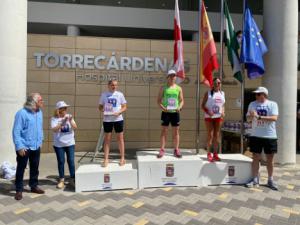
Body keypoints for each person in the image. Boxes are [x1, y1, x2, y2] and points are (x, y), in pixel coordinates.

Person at [12, 93, 45, 201]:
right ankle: (19, 190)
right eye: (40, 100)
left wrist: (41, 139)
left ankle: (33, 185)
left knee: (35, 167)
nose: (42, 102)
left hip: (36, 146)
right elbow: (16, 131)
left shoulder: (39, 112)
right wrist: (19, 146)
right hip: (24, 147)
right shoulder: (22, 113)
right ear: (34, 102)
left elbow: (40, 128)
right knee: (21, 169)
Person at [245, 87, 279, 191]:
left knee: (270, 159)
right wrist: (251, 116)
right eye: (256, 94)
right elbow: (248, 119)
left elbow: (274, 118)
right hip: (255, 134)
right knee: (255, 157)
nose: (256, 96)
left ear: (264, 94)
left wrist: (258, 117)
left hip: (270, 135)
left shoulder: (273, 104)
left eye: (258, 94)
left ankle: (270, 180)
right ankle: (255, 179)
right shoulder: (252, 104)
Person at [98, 79, 127, 167]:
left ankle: (122, 158)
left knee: (120, 139)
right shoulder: (104, 95)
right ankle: (106, 159)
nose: (114, 86)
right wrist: (104, 110)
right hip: (107, 120)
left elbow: (125, 106)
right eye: (112, 85)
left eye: (115, 85)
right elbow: (100, 107)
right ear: (108, 85)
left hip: (118, 119)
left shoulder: (120, 94)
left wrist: (119, 112)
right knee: (107, 139)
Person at [157, 69, 184, 158]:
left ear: (175, 77)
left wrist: (179, 107)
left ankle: (176, 149)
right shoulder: (163, 88)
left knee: (176, 131)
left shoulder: (178, 88)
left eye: (174, 76)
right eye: (171, 76)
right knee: (164, 131)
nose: (172, 77)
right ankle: (162, 149)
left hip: (175, 113)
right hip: (166, 112)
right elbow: (158, 101)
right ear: (167, 77)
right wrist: (163, 108)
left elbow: (182, 100)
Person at [51, 101, 77, 189]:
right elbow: (54, 129)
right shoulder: (54, 119)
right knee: (61, 161)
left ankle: (73, 179)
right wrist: (62, 123)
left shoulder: (69, 116)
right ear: (59, 110)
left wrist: (70, 120)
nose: (66, 110)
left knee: (71, 161)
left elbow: (75, 127)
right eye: (64, 108)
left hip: (70, 143)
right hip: (59, 144)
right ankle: (61, 179)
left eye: (66, 108)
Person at [201, 77, 225, 162]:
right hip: (209, 117)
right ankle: (208, 154)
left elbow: (222, 105)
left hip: (218, 117)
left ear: (220, 84)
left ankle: (215, 154)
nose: (217, 84)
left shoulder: (222, 93)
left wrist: (223, 112)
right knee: (210, 135)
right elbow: (203, 105)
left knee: (217, 136)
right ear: (212, 84)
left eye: (218, 83)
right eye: (215, 83)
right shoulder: (208, 93)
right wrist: (208, 112)